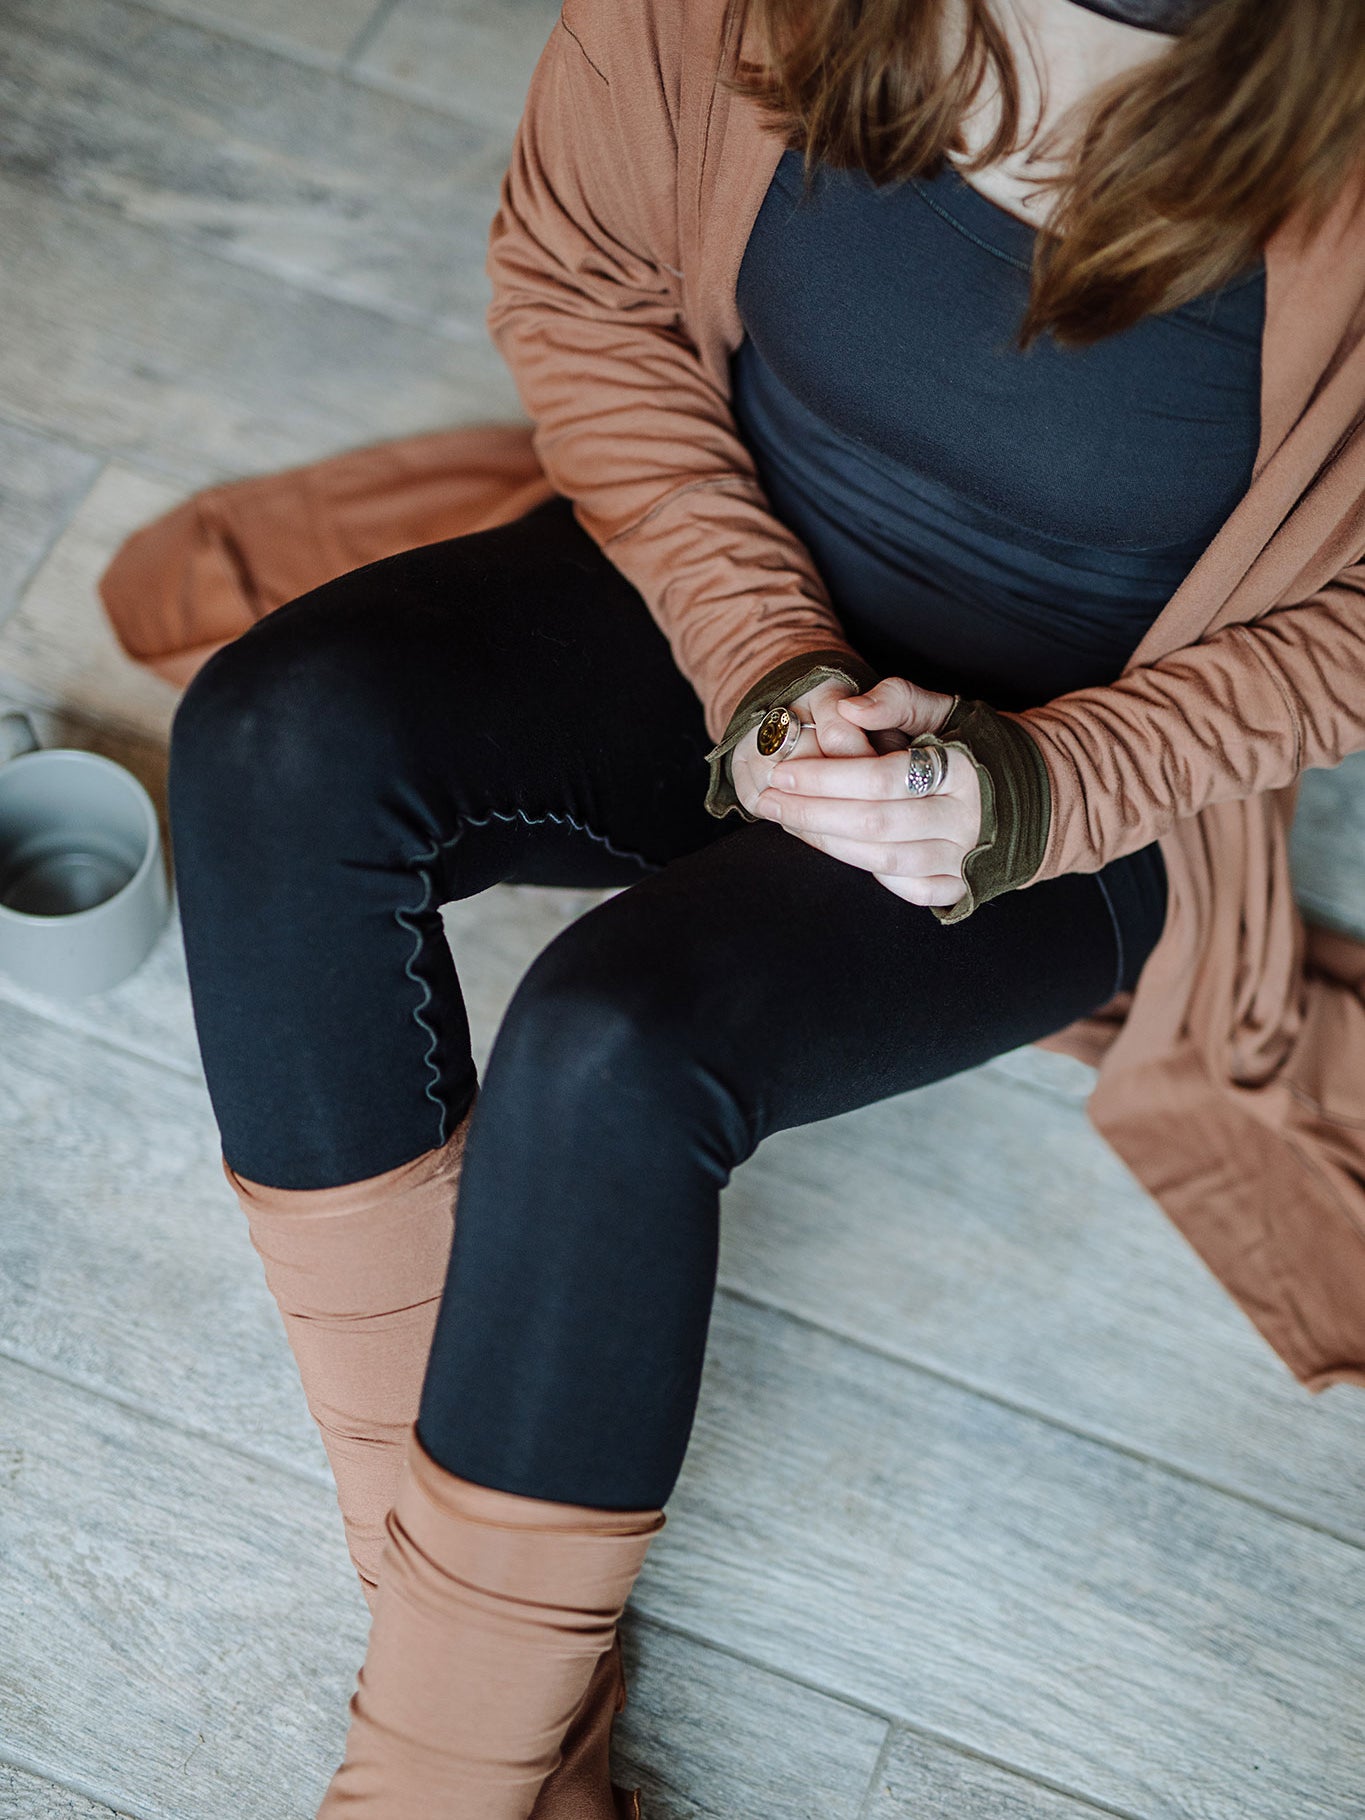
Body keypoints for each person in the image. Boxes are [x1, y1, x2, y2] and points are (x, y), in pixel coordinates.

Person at [162, 0, 1365, 1812]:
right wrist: (760, 662)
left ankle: (436, 1767)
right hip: (726, 603)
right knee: (270, 740)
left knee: (613, 1047)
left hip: (1087, 775)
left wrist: (1047, 786)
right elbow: (579, 282)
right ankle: (474, 1676)